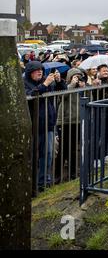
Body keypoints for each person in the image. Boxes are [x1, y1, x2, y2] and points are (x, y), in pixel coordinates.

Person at [24, 61, 67, 190]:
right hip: (33, 126)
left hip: (48, 124)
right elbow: (32, 94)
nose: (40, 72)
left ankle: (44, 181)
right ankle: (32, 183)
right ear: (29, 72)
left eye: (41, 70)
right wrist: (45, 84)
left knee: (47, 154)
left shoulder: (46, 82)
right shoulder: (25, 83)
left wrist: (59, 81)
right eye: (36, 70)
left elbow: (62, 91)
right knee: (33, 156)